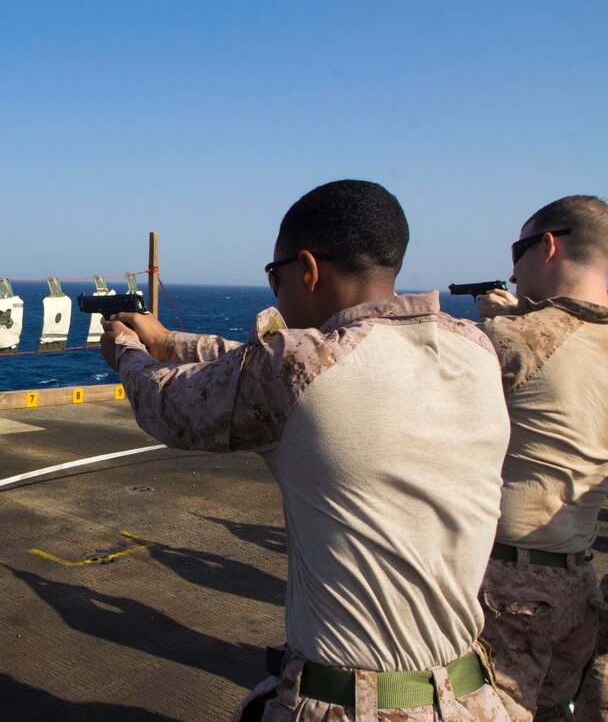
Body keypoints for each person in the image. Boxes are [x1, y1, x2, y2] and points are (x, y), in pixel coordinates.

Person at [99, 179, 512, 721]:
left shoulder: (295, 367)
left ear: (308, 269)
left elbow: (168, 403)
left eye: (276, 276)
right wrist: (165, 338)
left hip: (350, 704)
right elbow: (274, 362)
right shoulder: (475, 348)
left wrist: (128, 354)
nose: (276, 292)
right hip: (469, 697)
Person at [475, 195, 608, 722]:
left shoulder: (514, 339)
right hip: (579, 579)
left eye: (519, 249)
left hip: (509, 586)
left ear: (548, 245)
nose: (512, 269)